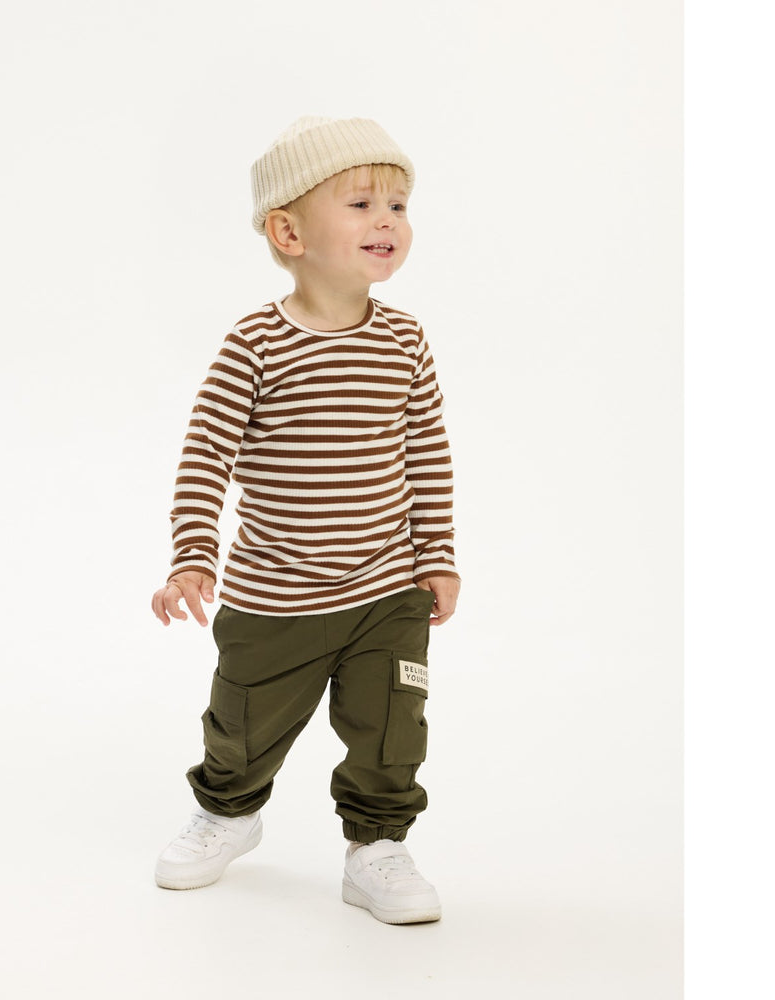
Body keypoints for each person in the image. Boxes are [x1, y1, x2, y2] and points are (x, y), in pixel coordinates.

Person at [150, 115, 461, 924]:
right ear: (288, 232)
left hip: (385, 591)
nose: (388, 220)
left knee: (393, 728)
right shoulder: (255, 344)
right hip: (276, 597)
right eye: (361, 204)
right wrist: (193, 555)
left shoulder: (405, 341)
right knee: (243, 729)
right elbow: (206, 455)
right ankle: (227, 812)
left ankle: (377, 846)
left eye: (398, 205)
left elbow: (427, 453)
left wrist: (436, 554)